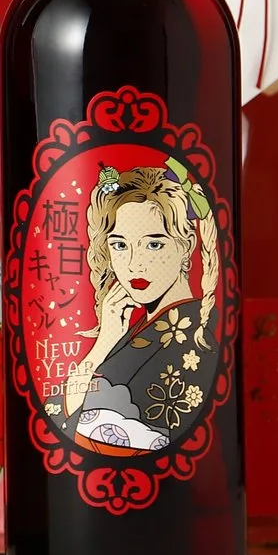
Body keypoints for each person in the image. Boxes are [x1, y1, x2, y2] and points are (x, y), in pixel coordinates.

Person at [57, 159, 219, 454]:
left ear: (187, 246)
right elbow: (57, 427)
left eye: (154, 244)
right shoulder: (131, 328)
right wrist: (105, 341)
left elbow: (69, 424)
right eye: (120, 245)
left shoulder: (198, 336)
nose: (134, 265)